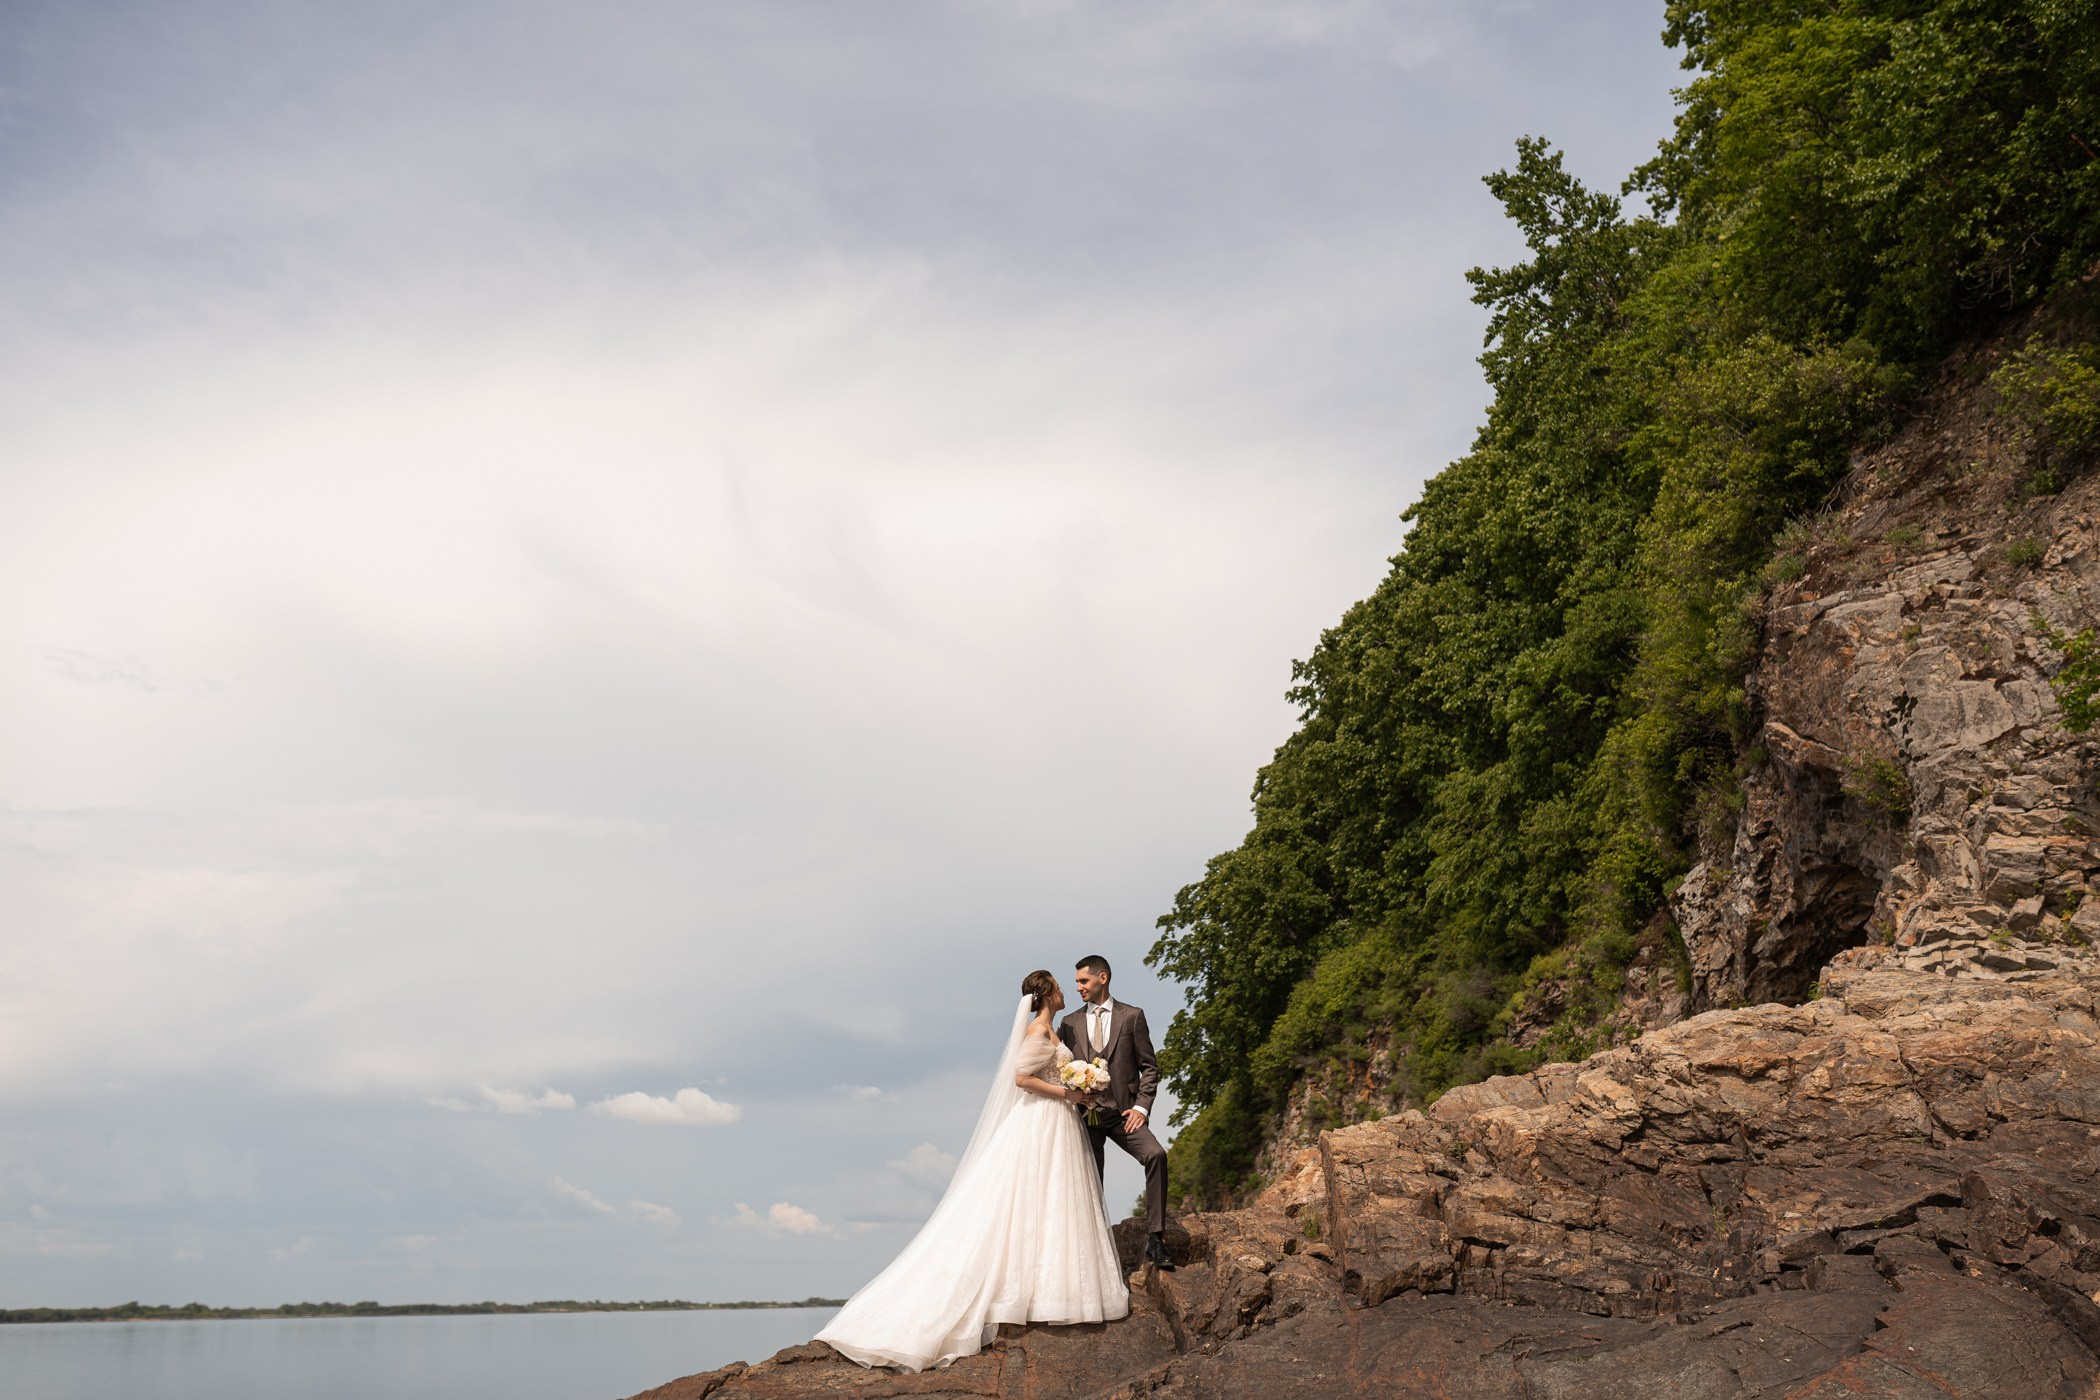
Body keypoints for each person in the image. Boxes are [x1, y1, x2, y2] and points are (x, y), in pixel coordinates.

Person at [814, 970, 1129, 1371]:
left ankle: (1049, 1288)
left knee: (1053, 1200)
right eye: (1060, 985)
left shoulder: (1051, 1030)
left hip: (1058, 1121)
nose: (1066, 990)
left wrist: (1077, 1090)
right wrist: (1070, 1093)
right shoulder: (1037, 1031)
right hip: (1042, 1120)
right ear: (1048, 992)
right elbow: (1021, 1078)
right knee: (1034, 1196)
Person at [1059, 954, 1173, 1271]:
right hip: (1085, 1119)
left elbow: (1149, 1068)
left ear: (1103, 978)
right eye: (1077, 982)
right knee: (1090, 1183)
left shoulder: (1132, 1016)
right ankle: (1091, 1252)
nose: (1079, 987)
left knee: (1156, 1155)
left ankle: (1156, 1240)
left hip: (1125, 1115)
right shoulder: (1069, 1023)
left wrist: (1141, 1107)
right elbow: (1058, 1068)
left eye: (1083, 980)